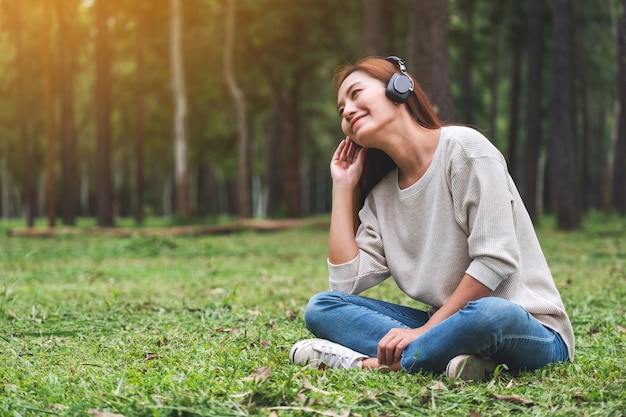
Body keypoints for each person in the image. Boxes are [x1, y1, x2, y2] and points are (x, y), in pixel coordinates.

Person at [289, 56, 574, 380]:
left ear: (399, 87)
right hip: (448, 325)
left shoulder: (465, 150)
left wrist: (423, 331)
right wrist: (342, 186)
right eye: (341, 111)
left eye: (355, 94)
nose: (348, 111)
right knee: (322, 308)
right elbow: (345, 284)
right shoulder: (381, 198)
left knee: (488, 314)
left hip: (529, 328)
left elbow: (495, 261)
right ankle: (462, 360)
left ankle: (371, 364)